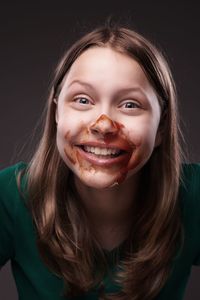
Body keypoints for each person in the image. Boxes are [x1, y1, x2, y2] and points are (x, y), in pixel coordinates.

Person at [0, 21, 200, 300]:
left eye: (130, 104)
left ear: (162, 128)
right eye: (82, 100)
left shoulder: (193, 196)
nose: (103, 125)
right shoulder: (11, 195)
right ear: (57, 113)